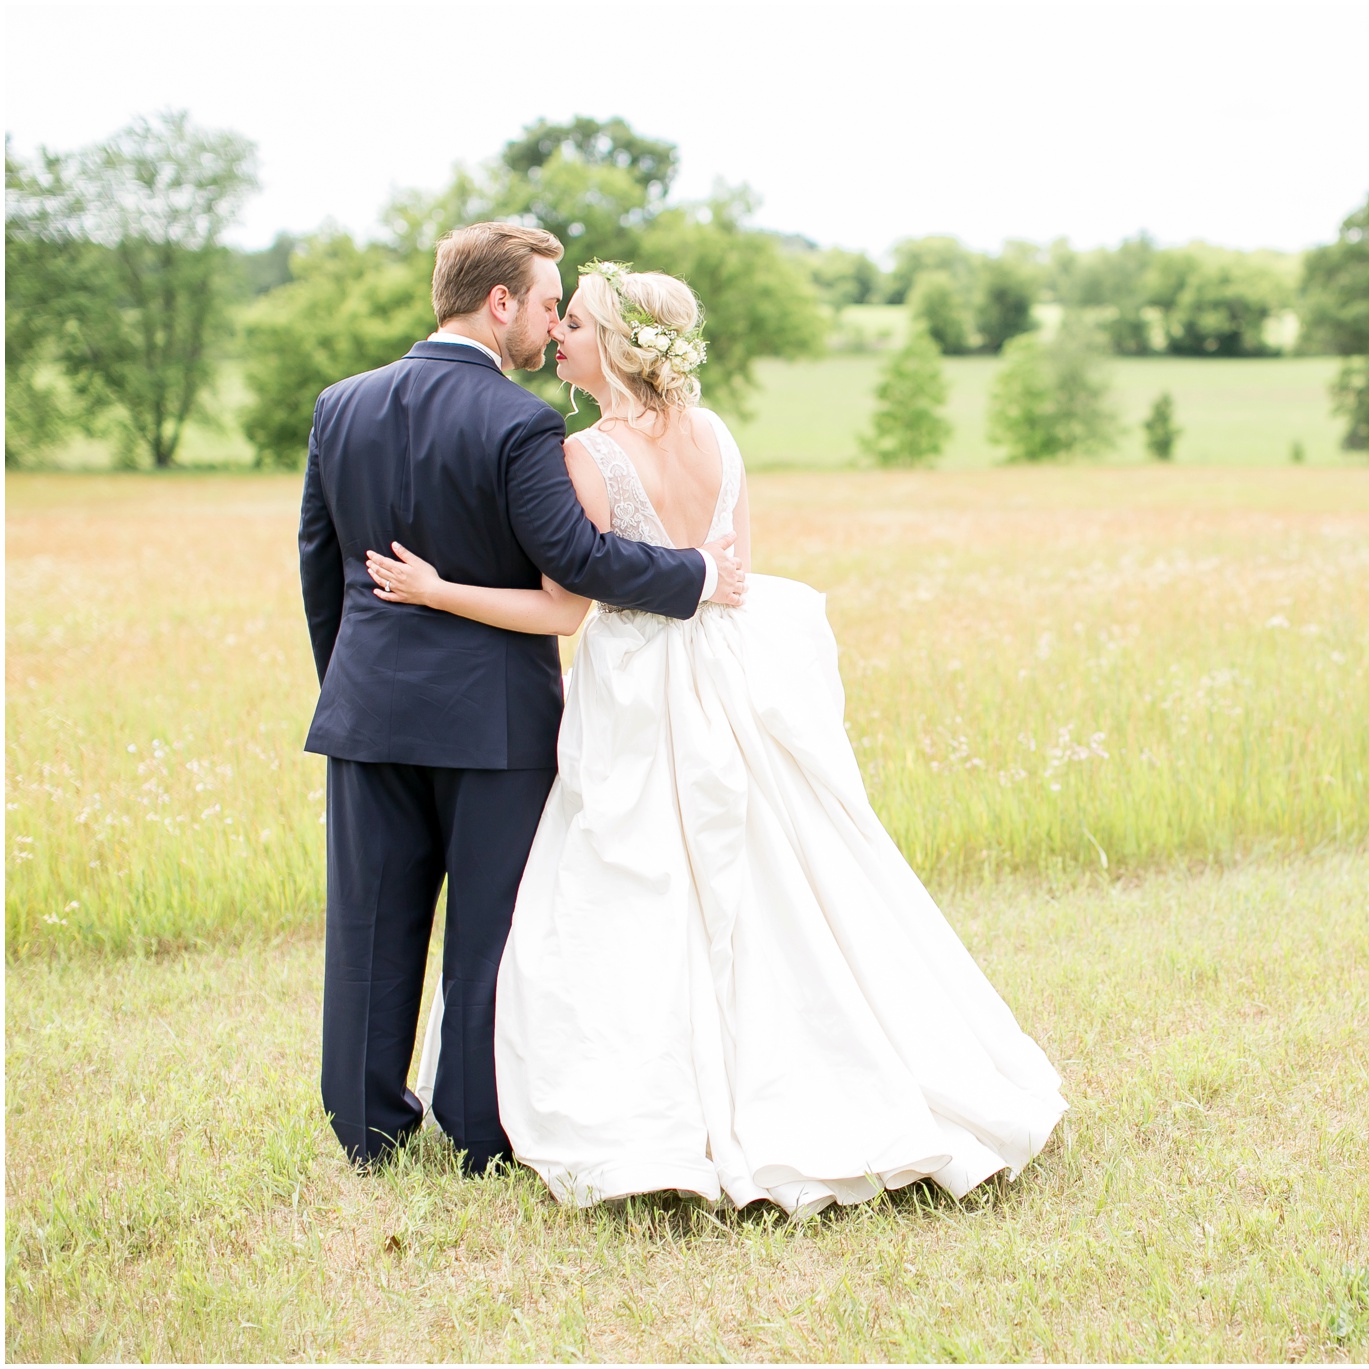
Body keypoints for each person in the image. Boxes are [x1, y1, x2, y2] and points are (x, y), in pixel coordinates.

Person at [369, 261, 1066, 1217]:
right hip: (729, 672)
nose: (557, 333)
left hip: (638, 686)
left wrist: (438, 590)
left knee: (632, 874)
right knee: (775, 870)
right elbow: (734, 574)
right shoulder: (721, 436)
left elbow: (569, 606)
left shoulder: (586, 454)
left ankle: (655, 1108)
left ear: (612, 346)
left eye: (571, 321)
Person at [298, 223, 745, 1177]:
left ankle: (366, 1132)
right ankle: (474, 1127)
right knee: (488, 932)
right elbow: (576, 565)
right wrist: (699, 575)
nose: (552, 327)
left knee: (369, 925)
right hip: (493, 723)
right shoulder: (519, 423)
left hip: (367, 713)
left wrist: (353, 689)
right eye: (547, 305)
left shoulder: (340, 406)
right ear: (499, 303)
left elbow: (321, 573)